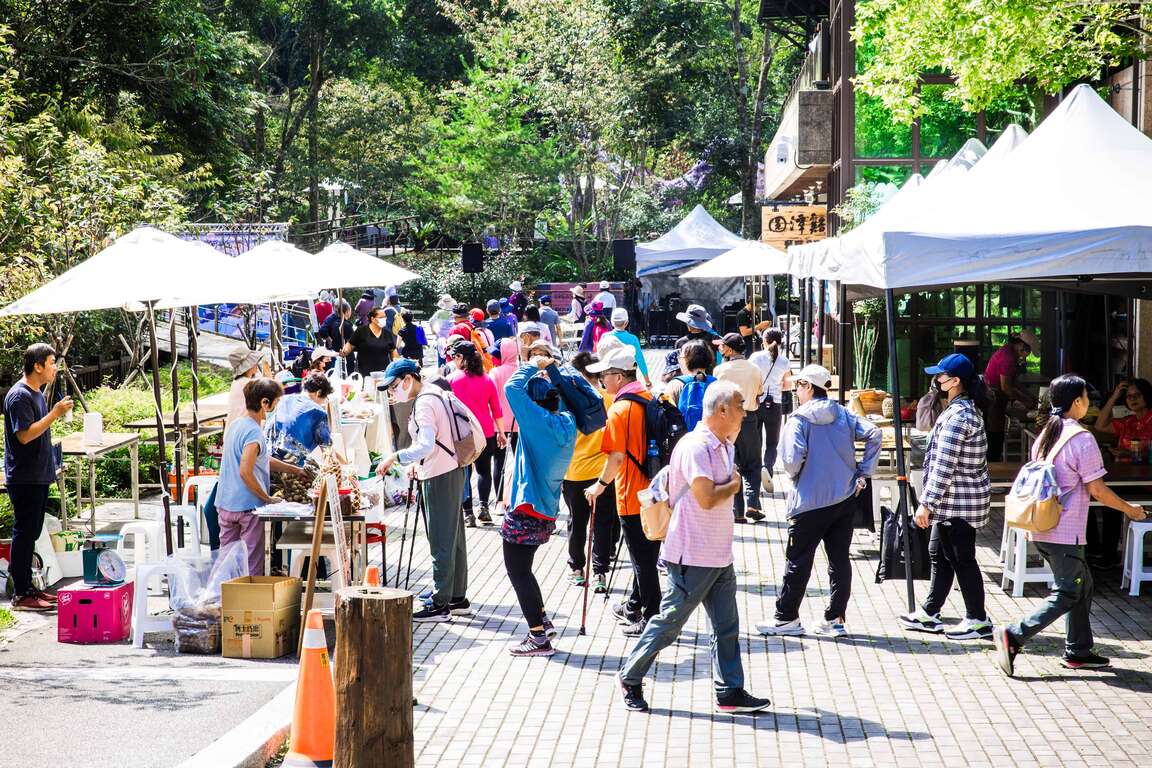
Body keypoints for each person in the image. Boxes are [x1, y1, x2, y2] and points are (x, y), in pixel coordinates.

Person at [618, 380, 771, 714]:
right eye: (740, 405)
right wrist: (733, 485)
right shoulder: (695, 447)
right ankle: (630, 676)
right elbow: (706, 498)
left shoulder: (725, 445)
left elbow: (717, 492)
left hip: (719, 554)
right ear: (722, 410)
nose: (745, 412)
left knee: (726, 627)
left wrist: (730, 484)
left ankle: (729, 691)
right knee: (669, 624)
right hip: (691, 554)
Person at [993, 374, 1148, 677]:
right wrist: (1130, 510)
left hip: (1042, 526)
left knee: (1083, 585)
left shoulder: (1047, 434)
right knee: (1068, 592)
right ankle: (1014, 635)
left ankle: (1078, 651)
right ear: (1077, 402)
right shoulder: (1081, 438)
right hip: (1064, 532)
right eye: (1087, 397)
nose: (1088, 402)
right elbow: (1097, 490)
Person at [757, 364, 881, 637]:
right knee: (839, 560)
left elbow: (791, 460)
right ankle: (835, 619)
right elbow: (874, 433)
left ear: (809, 387)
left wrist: (798, 475)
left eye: (799, 385)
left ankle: (786, 618)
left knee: (798, 560)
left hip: (809, 500)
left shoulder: (799, 420)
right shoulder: (844, 414)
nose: (796, 390)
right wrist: (863, 472)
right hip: (844, 497)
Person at [898, 354, 993, 640]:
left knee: (962, 559)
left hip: (958, 503)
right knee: (939, 554)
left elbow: (944, 465)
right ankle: (930, 612)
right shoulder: (960, 410)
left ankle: (978, 619)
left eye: (940, 376)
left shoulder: (959, 416)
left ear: (955, 381)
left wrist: (926, 504)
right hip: (954, 502)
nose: (936, 380)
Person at [375, 359, 470, 622]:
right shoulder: (434, 392)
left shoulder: (425, 402)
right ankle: (455, 596)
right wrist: (415, 463)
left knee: (441, 539)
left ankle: (441, 603)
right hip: (450, 469)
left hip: (440, 474)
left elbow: (426, 444)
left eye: (394, 386)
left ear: (408, 379)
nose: (393, 393)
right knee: (453, 538)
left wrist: (395, 457)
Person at [501, 354, 578, 656]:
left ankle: (538, 637)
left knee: (518, 572)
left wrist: (534, 363)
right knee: (525, 570)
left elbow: (511, 388)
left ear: (533, 403)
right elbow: (571, 391)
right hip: (546, 508)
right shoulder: (568, 421)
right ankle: (542, 621)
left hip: (526, 507)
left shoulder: (536, 422)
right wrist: (554, 369)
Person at [584, 346, 662, 635]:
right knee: (648, 555)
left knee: (642, 561)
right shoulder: (649, 397)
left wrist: (599, 485)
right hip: (656, 490)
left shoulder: (619, 409)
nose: (602, 380)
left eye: (604, 375)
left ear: (618, 376)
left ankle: (651, 617)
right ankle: (634, 604)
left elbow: (616, 457)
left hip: (631, 495)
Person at [3, 344, 72, 611]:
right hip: (24, 476)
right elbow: (24, 435)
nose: (55, 368)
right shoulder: (19, 396)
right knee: (24, 532)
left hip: (39, 474)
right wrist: (55, 414)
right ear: (38, 366)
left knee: (31, 532)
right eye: (52, 362)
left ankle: (30, 588)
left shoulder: (37, 394)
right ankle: (21, 593)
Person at [216, 378, 306, 576]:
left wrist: (295, 470)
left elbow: (262, 459)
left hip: (225, 504)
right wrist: (267, 498)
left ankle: (220, 594)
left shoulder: (236, 425)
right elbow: (245, 471)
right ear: (265, 403)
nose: (277, 407)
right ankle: (249, 596)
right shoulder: (253, 432)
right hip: (248, 508)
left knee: (226, 564)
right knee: (252, 565)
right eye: (276, 402)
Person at [562, 351, 620, 592]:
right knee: (603, 523)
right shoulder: (610, 399)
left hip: (574, 471)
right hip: (604, 473)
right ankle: (600, 573)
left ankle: (576, 569)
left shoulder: (567, 400)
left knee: (577, 522)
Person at [1091, 377, 1152, 567]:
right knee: (1088, 495)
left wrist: (1134, 453)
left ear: (1147, 396)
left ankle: (1108, 556)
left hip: (1146, 482)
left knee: (1110, 500)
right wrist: (1114, 397)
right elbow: (1100, 425)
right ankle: (1094, 549)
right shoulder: (1128, 421)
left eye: (1137, 395)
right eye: (1128, 396)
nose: (1132, 399)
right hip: (1125, 477)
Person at [447, 340, 505, 526]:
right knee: (484, 471)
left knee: (464, 472)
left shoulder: (451, 380)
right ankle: (484, 508)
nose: (453, 360)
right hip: (486, 432)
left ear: (461, 358)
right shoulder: (487, 379)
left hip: (461, 434)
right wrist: (501, 432)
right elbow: (497, 410)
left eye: (455, 357)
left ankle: (468, 513)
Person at [713, 333, 765, 523]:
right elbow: (759, 393)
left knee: (731, 463)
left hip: (727, 421)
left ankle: (737, 510)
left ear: (729, 349)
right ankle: (752, 503)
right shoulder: (755, 369)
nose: (720, 348)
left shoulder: (720, 370)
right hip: (749, 418)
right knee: (753, 463)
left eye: (722, 346)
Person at [984, 329, 1038, 461]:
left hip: (996, 396)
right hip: (993, 398)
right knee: (995, 434)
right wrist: (1026, 401)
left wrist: (1030, 396)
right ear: (1021, 345)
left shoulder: (1010, 351)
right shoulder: (1007, 357)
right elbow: (1006, 388)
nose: (1026, 355)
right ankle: (993, 465)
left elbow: (1013, 381)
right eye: (1028, 351)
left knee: (996, 432)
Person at [748, 327, 790, 494]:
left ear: (763, 341)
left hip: (757, 402)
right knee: (772, 442)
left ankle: (757, 472)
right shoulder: (784, 361)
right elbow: (787, 385)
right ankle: (768, 467)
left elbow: (750, 378)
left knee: (756, 440)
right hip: (775, 404)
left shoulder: (755, 357)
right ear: (780, 342)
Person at [267, 372, 334, 468]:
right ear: (319, 393)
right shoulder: (318, 412)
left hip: (264, 459)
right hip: (288, 467)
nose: (323, 402)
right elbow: (327, 451)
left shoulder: (284, 399)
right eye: (325, 398)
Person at [666, 340, 715, 432]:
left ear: (686, 359)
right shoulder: (717, 384)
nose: (679, 360)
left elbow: (666, 415)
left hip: (684, 437)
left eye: (680, 357)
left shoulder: (675, 384)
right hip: (712, 437)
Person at [603, 308, 651, 388]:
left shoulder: (605, 337)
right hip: (628, 379)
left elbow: (601, 358)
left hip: (610, 377)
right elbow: (640, 360)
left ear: (612, 322)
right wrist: (647, 382)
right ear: (627, 322)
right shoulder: (633, 339)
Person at [342, 307, 394, 376]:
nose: (384, 319)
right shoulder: (361, 331)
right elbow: (350, 344)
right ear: (372, 319)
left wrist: (397, 363)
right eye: (381, 317)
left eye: (385, 317)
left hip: (383, 373)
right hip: (365, 373)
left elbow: (393, 351)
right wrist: (345, 350)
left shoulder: (387, 333)